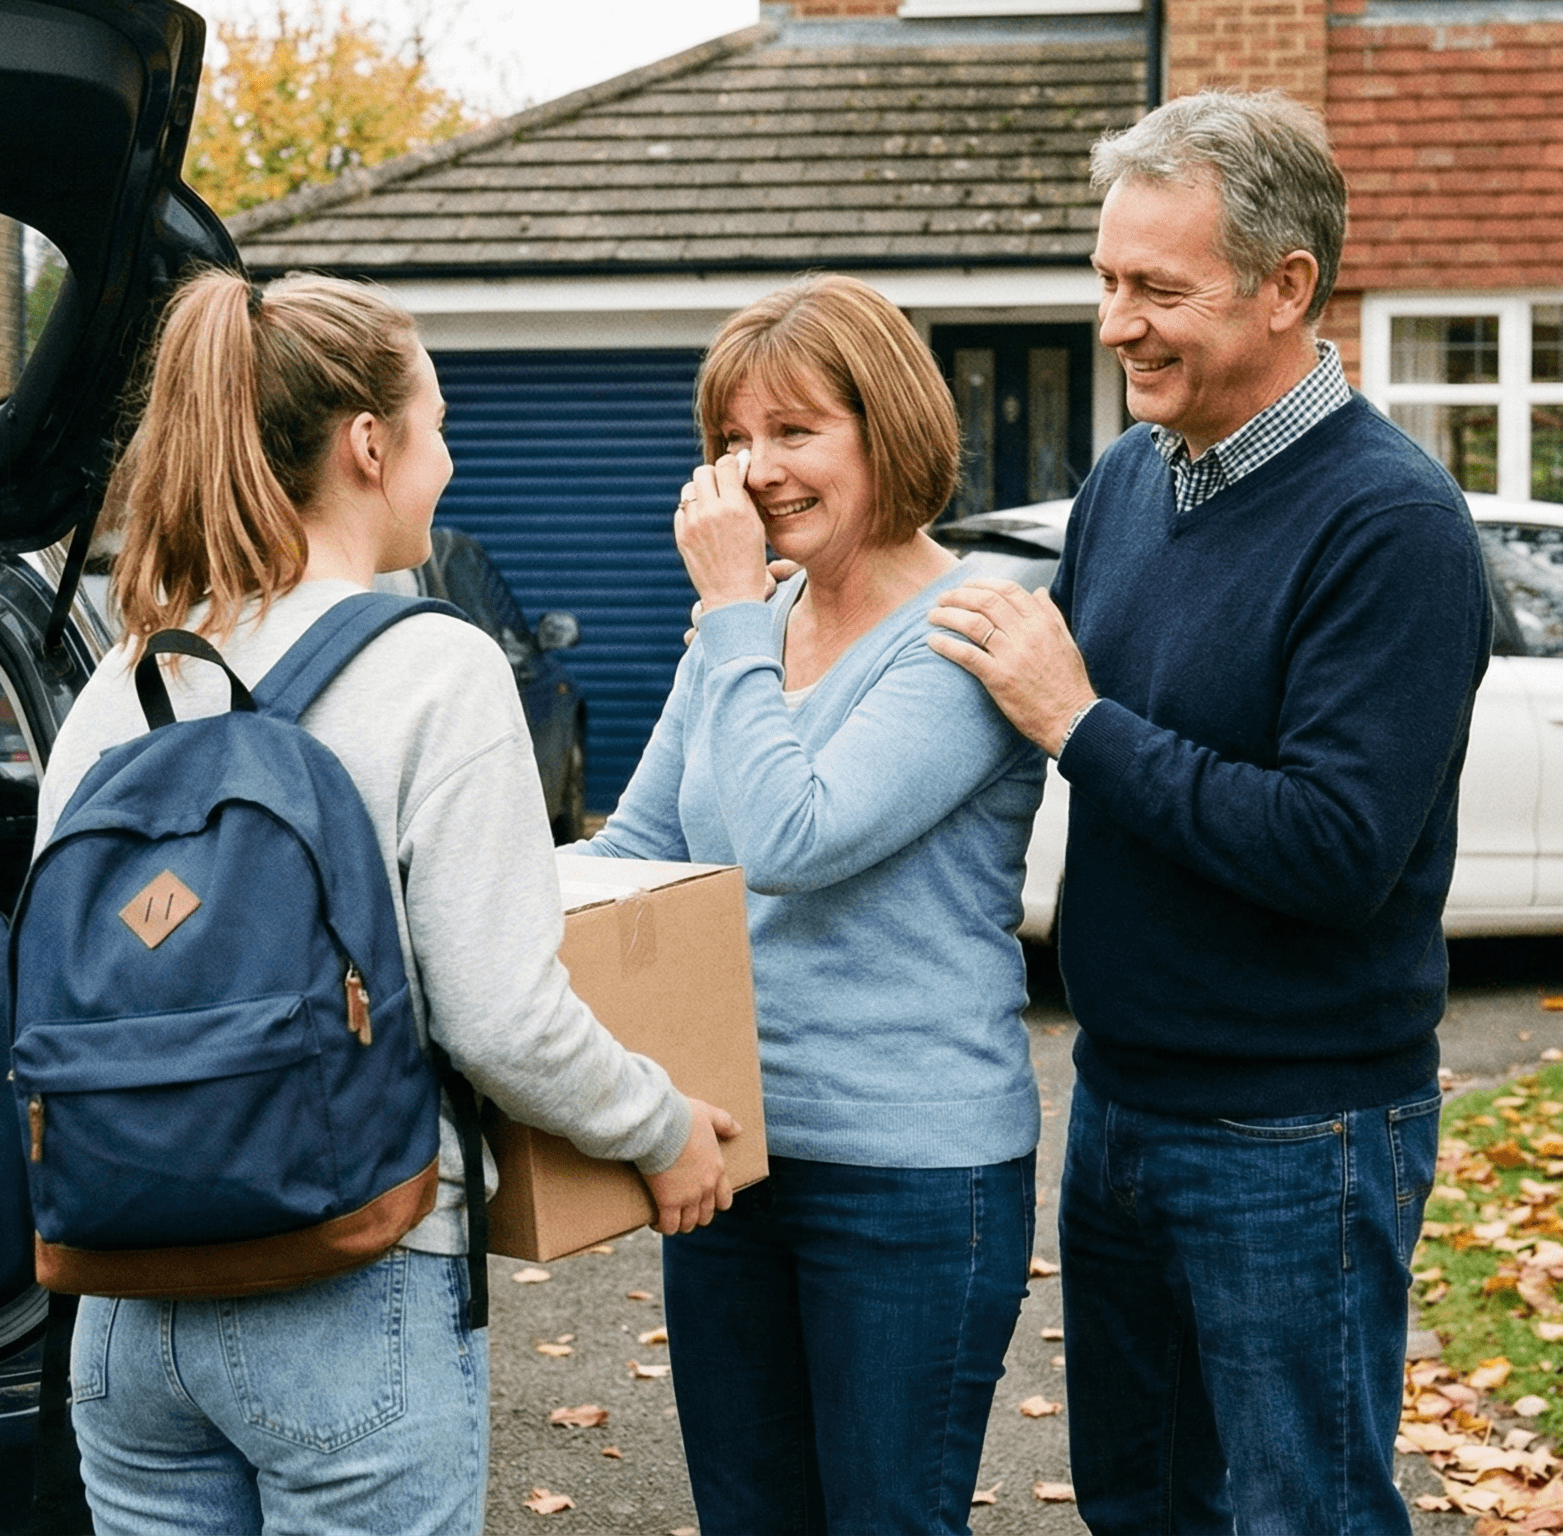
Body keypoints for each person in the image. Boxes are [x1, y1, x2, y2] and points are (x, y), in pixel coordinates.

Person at [32, 269, 739, 1536]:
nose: (449, 459)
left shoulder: (122, 681)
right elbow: (499, 1015)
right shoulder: (432, 666)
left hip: (123, 1318)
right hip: (348, 1287)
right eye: (440, 423)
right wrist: (661, 1125)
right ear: (369, 443)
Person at [927, 91, 1494, 1535]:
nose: (1117, 323)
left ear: (1286, 287)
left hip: (1298, 1131)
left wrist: (1083, 724)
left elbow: (1334, 850)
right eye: (1109, 282)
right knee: (1140, 1501)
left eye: (1157, 290)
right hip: (1122, 1102)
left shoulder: (1393, 525)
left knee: (1304, 1511)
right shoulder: (1130, 480)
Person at [579, 273, 1047, 1535]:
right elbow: (638, 846)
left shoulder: (971, 629)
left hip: (909, 1174)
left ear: (882, 428)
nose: (755, 472)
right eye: (732, 441)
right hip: (729, 1157)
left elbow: (795, 838)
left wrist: (725, 614)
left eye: (793, 432)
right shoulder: (752, 626)